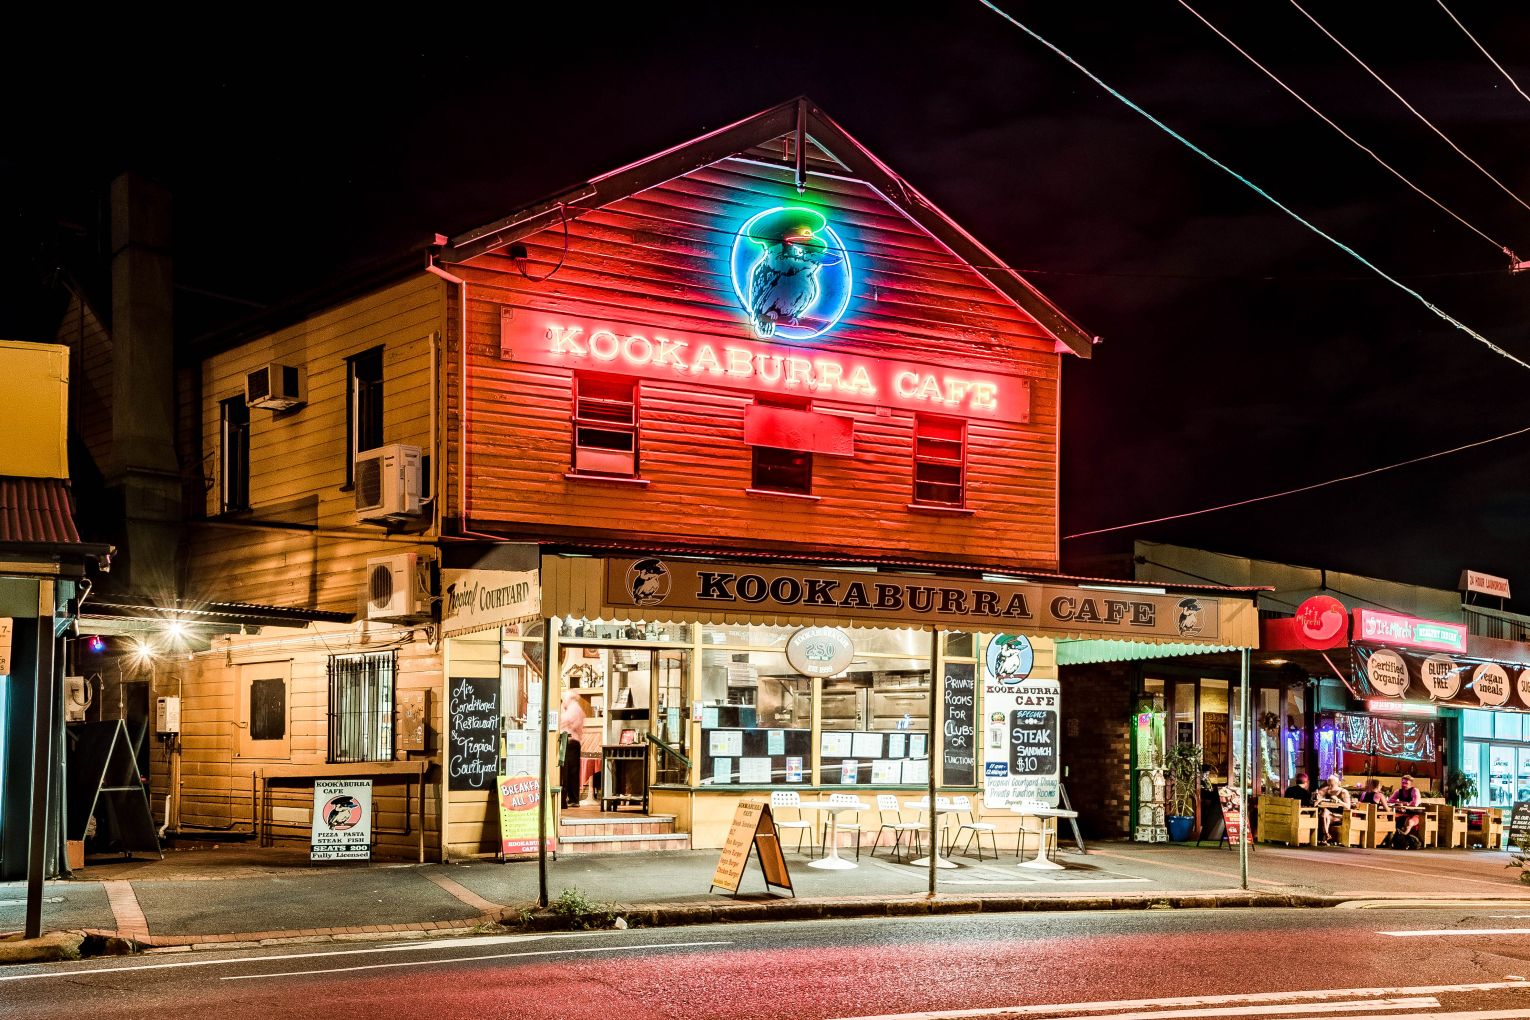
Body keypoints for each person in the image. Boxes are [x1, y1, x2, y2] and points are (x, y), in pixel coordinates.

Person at [559, 690, 588, 809]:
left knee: (567, 771)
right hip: (574, 742)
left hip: (570, 742)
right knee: (573, 772)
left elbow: (564, 721)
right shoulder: (576, 708)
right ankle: (573, 799)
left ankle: (568, 799)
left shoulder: (573, 708)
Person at [1313, 775, 1351, 845]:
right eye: (1328, 784)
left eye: (1332, 785)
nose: (1330, 786)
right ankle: (1326, 834)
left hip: (1339, 815)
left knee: (1325, 815)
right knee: (1325, 813)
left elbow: (1348, 806)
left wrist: (1339, 801)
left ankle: (1325, 837)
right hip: (1327, 814)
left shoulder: (1343, 792)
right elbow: (1316, 803)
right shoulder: (1327, 791)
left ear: (1336, 783)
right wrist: (1318, 798)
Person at [1387, 775, 1423, 848]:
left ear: (1411, 784)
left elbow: (1415, 803)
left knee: (1409, 822)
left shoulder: (1414, 790)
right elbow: (1389, 800)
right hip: (1403, 814)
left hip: (1415, 814)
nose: (1404, 785)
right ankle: (1399, 840)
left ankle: (1401, 838)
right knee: (1388, 818)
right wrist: (1403, 803)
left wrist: (1403, 804)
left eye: (1406, 783)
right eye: (1402, 783)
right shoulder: (1398, 791)